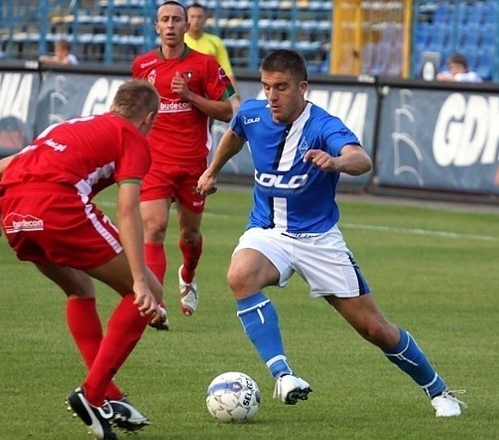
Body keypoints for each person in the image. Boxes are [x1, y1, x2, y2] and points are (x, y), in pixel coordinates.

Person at [197, 49, 467, 418]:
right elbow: (235, 132)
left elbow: (361, 159)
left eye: (281, 87)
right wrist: (213, 170)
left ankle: (439, 392)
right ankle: (283, 375)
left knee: (376, 330)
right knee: (240, 275)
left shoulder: (323, 125)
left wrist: (335, 161)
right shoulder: (253, 113)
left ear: (303, 87)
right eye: (266, 87)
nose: (272, 96)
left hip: (318, 241)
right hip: (268, 231)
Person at [0, 79, 166, 440]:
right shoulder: (132, 138)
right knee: (147, 296)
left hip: (15, 214)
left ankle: (108, 395)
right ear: (149, 118)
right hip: (58, 207)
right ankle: (92, 394)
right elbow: (127, 210)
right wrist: (140, 279)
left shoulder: (71, 125)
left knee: (79, 288)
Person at [131, 1, 234, 329]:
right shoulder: (142, 65)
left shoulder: (204, 64)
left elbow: (227, 111)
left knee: (189, 236)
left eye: (177, 19)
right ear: (157, 27)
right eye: (166, 20)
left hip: (192, 165)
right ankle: (156, 304)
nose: (172, 24)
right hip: (154, 163)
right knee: (155, 227)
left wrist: (190, 96)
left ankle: (187, 275)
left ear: (186, 25)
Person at [185, 3, 241, 111]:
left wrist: (235, 97)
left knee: (207, 126)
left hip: (209, 95)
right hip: (186, 94)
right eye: (192, 16)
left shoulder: (215, 42)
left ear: (205, 19)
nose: (196, 20)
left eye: (199, 17)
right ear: (186, 19)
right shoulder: (179, 41)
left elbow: (225, 71)